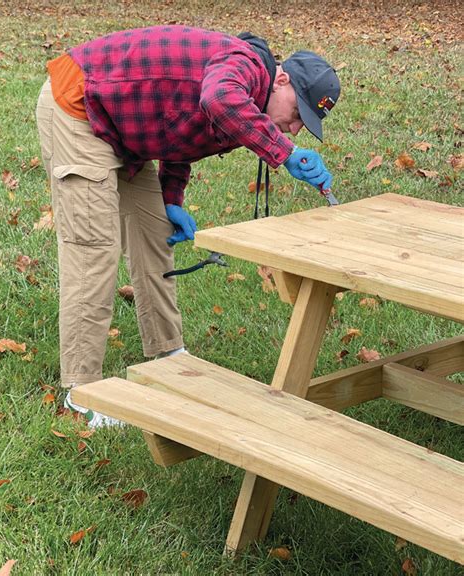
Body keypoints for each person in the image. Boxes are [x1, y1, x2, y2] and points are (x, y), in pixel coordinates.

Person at [36, 25, 340, 427]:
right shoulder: (244, 67)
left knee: (154, 236)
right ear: (280, 80)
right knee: (94, 251)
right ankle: (82, 390)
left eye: (306, 123)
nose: (296, 127)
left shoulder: (248, 100)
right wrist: (283, 152)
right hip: (78, 106)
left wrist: (171, 198)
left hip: (127, 129)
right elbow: (217, 99)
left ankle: (167, 352)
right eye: (298, 112)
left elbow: (181, 129)